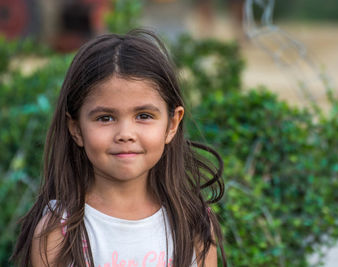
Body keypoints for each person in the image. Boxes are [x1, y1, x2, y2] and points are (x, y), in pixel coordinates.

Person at [11, 29, 226, 267]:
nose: (125, 134)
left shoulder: (192, 223)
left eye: (143, 115)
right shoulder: (58, 232)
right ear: (76, 129)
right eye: (105, 118)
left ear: (172, 123)